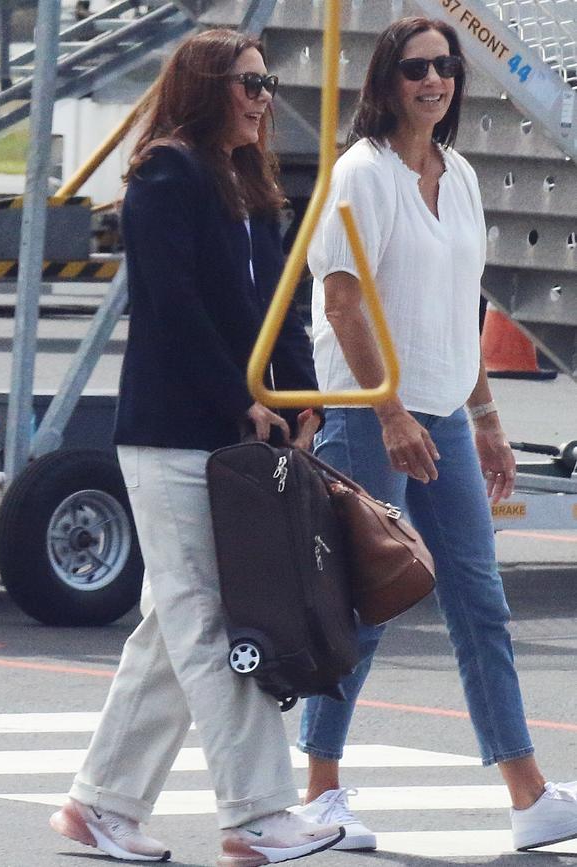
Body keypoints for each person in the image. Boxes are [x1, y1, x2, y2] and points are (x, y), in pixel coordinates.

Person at [49, 28, 345, 865]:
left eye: (267, 81)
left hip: (235, 431)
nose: (263, 98)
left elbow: (281, 302)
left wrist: (298, 394)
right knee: (212, 619)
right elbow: (172, 306)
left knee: (168, 631)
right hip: (175, 431)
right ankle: (256, 814)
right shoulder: (166, 173)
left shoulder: (248, 177)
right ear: (208, 86)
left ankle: (97, 804)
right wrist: (241, 397)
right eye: (248, 83)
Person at [292, 15, 577, 855]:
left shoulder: (458, 175)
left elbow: (463, 306)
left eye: (446, 67)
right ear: (386, 80)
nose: (435, 80)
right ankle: (320, 790)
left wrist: (486, 419)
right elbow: (342, 302)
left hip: (445, 418)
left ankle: (527, 793)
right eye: (417, 67)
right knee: (365, 604)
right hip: (367, 417)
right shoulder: (361, 175)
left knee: (481, 602)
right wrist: (388, 410)